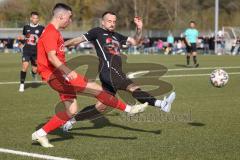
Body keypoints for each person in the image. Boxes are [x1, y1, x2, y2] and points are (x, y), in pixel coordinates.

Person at [32, 3, 148, 148]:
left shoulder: (54, 32)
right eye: (69, 17)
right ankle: (129, 109)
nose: (70, 20)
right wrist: (69, 72)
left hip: (57, 76)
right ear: (60, 16)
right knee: (97, 89)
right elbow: (52, 57)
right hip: (58, 76)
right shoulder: (51, 32)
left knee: (72, 111)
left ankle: (40, 133)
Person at [63, 11, 176, 131]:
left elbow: (135, 42)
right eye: (109, 21)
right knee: (133, 88)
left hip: (114, 73)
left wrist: (139, 29)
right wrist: (61, 45)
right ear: (103, 22)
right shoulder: (96, 32)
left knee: (100, 107)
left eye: (114, 21)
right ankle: (161, 104)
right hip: (109, 71)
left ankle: (71, 121)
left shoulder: (117, 36)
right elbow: (77, 40)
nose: (112, 24)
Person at [19, 12, 44, 92]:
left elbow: (44, 39)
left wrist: (40, 41)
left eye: (37, 18)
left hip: (36, 52)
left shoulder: (42, 28)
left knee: (35, 70)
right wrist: (21, 42)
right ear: (31, 18)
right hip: (26, 51)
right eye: (34, 18)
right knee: (24, 66)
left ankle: (33, 73)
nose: (35, 20)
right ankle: (22, 84)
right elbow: (24, 37)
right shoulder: (26, 27)